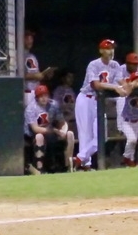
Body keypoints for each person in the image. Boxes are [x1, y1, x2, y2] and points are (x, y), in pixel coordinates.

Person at [73, 39, 127, 171]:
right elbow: (95, 85)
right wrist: (115, 87)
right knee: (85, 134)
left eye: (112, 48)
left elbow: (122, 83)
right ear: (101, 50)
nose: (111, 51)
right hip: (86, 98)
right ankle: (86, 166)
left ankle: (79, 158)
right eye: (108, 48)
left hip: (99, 102)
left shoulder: (115, 65)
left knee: (102, 136)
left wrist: (130, 85)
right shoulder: (94, 64)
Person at [24, 85, 74, 174]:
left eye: (45, 95)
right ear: (37, 97)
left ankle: (68, 166)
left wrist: (63, 131)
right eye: (41, 96)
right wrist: (54, 131)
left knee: (70, 134)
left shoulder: (53, 105)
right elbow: (35, 129)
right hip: (33, 135)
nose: (43, 98)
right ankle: (40, 168)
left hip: (51, 132)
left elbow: (61, 122)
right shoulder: (31, 108)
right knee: (39, 136)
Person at [23, 30, 54, 106]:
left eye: (31, 38)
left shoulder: (32, 56)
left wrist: (45, 76)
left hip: (36, 92)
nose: (30, 41)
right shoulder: (17, 55)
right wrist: (35, 76)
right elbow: (17, 74)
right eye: (27, 38)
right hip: (26, 92)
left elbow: (37, 75)